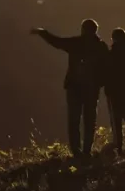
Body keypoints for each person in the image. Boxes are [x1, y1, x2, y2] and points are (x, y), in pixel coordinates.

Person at [30, 19, 109, 159]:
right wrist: (99, 83)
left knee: (74, 120)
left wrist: (42, 32)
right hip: (91, 89)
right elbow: (107, 68)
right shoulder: (101, 46)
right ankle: (87, 150)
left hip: (74, 87)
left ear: (83, 29)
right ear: (95, 30)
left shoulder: (76, 43)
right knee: (90, 120)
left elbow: (57, 42)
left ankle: (76, 150)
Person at [106, 28, 125, 154]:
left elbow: (108, 73)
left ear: (113, 39)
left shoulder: (112, 53)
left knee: (116, 121)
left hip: (115, 92)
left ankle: (118, 148)